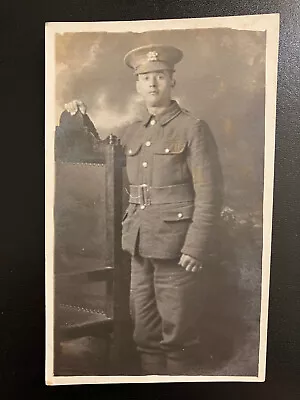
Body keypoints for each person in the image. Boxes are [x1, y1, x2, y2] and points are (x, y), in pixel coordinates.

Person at [63, 44, 223, 375]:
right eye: (146, 77)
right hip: (138, 245)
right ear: (137, 85)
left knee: (176, 333)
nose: (153, 84)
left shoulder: (193, 128)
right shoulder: (134, 131)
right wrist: (76, 117)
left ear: (172, 81)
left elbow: (210, 193)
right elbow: (96, 155)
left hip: (177, 248)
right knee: (145, 332)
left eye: (160, 76)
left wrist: (195, 246)